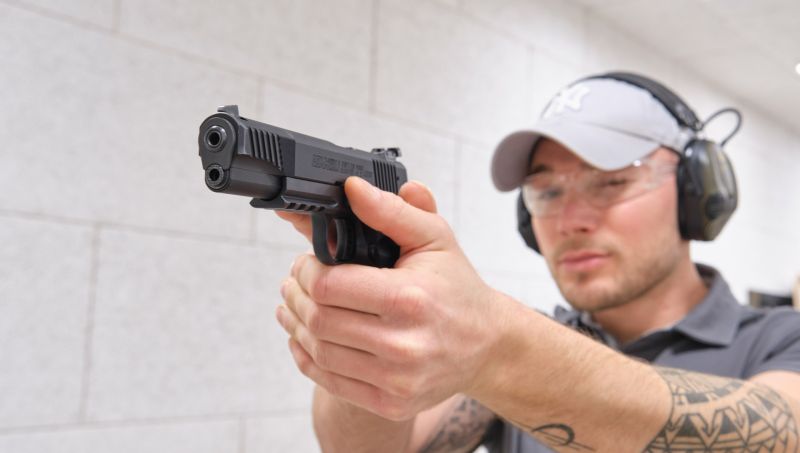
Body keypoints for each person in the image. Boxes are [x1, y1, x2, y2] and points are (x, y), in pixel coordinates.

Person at [274, 73, 800, 452]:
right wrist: (366, 327)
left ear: (697, 193)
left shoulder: (782, 339)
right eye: (546, 193)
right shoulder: (524, 347)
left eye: (612, 183)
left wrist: (494, 342)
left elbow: (775, 434)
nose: (569, 220)